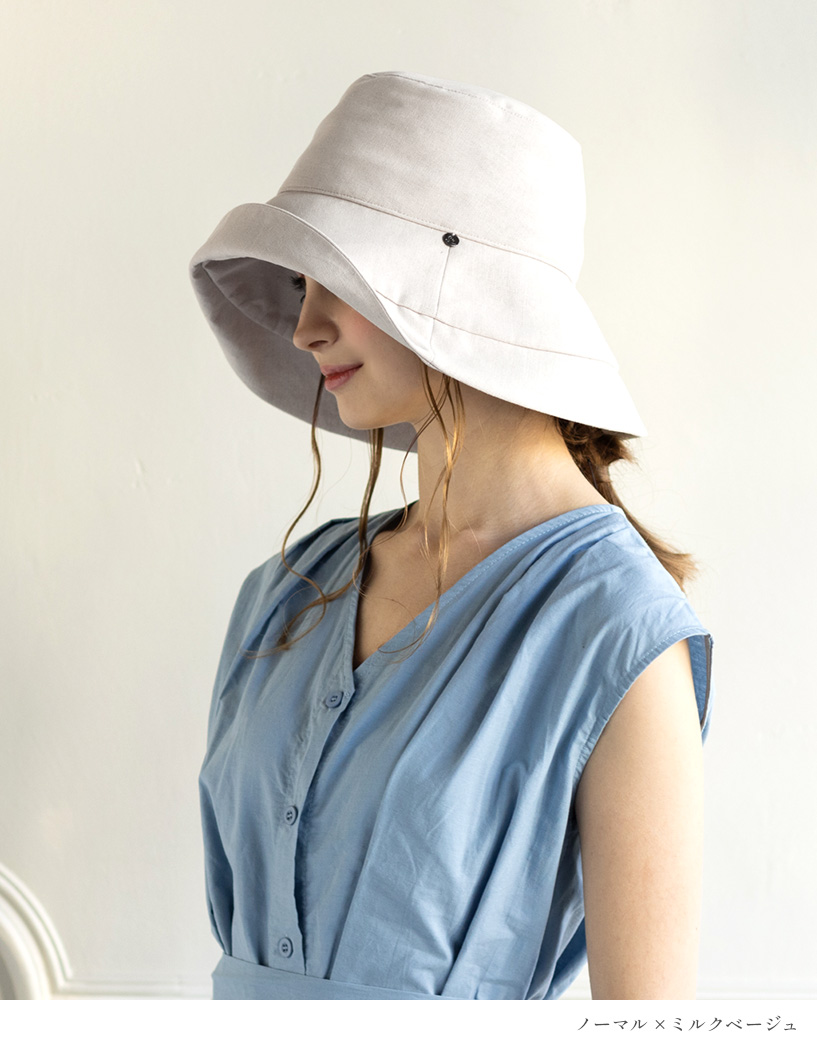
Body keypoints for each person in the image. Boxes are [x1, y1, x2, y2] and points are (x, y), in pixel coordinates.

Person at [190, 71, 713, 1000]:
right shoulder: (285, 592)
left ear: (459, 292)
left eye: (339, 280)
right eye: (303, 284)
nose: (304, 327)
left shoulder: (616, 635)